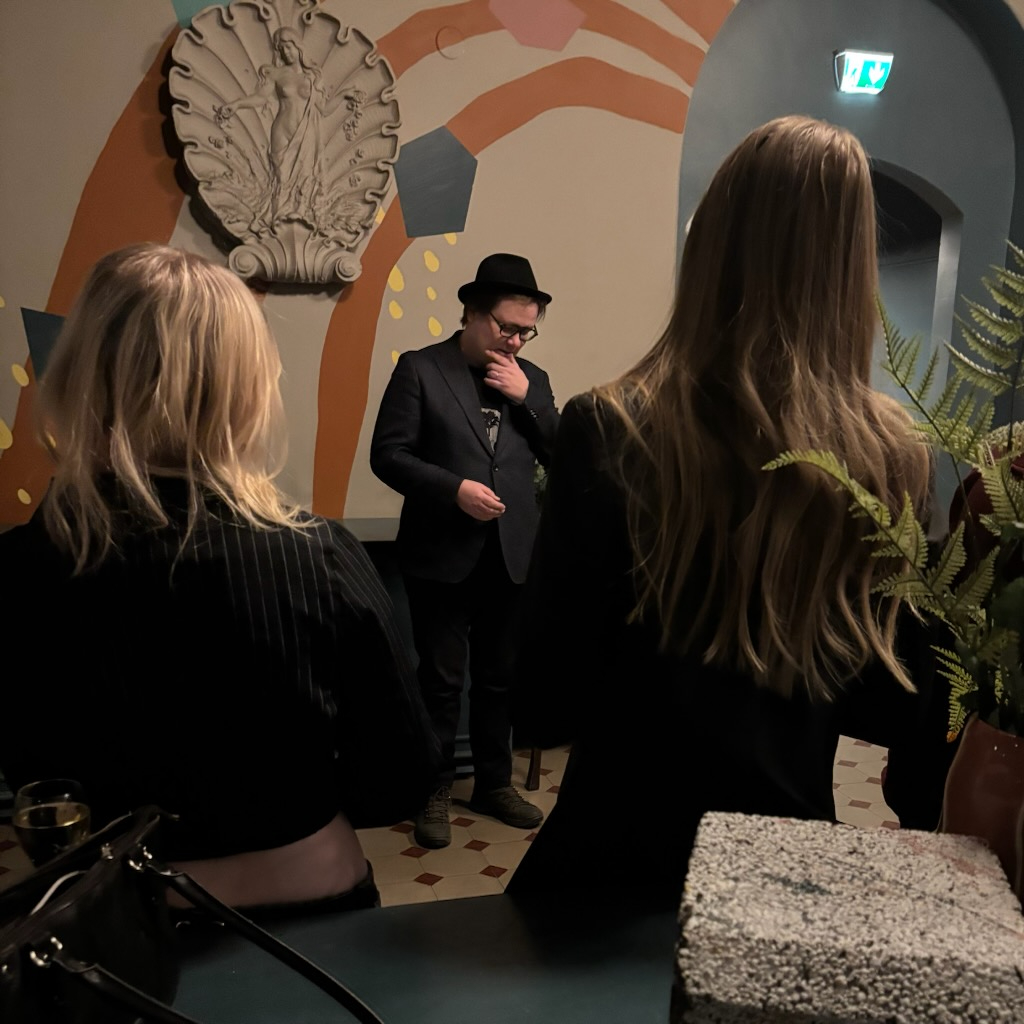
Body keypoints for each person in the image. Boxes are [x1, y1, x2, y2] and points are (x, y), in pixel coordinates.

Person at [507, 116, 950, 909]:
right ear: (852, 267)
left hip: (613, 866)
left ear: (712, 241)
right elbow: (895, 707)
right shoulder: (893, 456)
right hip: (780, 879)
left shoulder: (612, 426)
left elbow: (544, 700)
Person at [0, 243, 438, 913]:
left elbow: (32, 772)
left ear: (82, 372)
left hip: (112, 913)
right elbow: (400, 778)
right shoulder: (318, 557)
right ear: (247, 386)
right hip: (306, 899)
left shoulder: (19, 568)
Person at [370, 253, 558, 848]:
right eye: (506, 327)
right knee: (442, 681)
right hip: (442, 553)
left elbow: (564, 454)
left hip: (512, 555)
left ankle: (494, 784)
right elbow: (388, 455)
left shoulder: (533, 379)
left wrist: (528, 400)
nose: (515, 341)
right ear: (473, 313)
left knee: (500, 680)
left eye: (526, 332)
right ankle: (432, 789)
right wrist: (454, 489)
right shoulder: (421, 369)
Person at [215, 27, 325, 229]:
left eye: (289, 47)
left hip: (306, 133)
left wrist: (346, 97)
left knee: (304, 177)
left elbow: (323, 109)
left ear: (298, 47)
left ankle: (301, 215)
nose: (286, 52)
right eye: (282, 49)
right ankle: (277, 217)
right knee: (281, 176)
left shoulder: (312, 77)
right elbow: (260, 98)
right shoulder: (277, 74)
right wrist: (237, 104)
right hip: (281, 130)